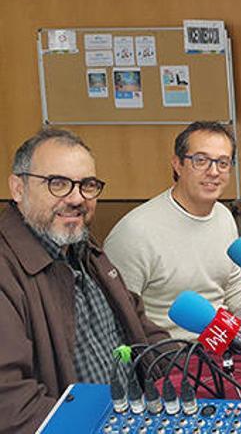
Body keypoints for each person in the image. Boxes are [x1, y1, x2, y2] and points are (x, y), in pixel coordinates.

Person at [0, 129, 169, 433]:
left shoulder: (82, 246)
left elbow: (139, 328)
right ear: (17, 188)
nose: (77, 198)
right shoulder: (6, 269)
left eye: (87, 185)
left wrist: (190, 368)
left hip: (133, 417)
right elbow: (11, 404)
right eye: (58, 184)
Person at [104, 122, 241, 339]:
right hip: (170, 357)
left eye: (223, 163)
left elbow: (233, 288)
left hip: (224, 345)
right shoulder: (134, 232)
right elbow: (118, 317)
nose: (213, 172)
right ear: (177, 164)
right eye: (200, 161)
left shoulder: (223, 217)